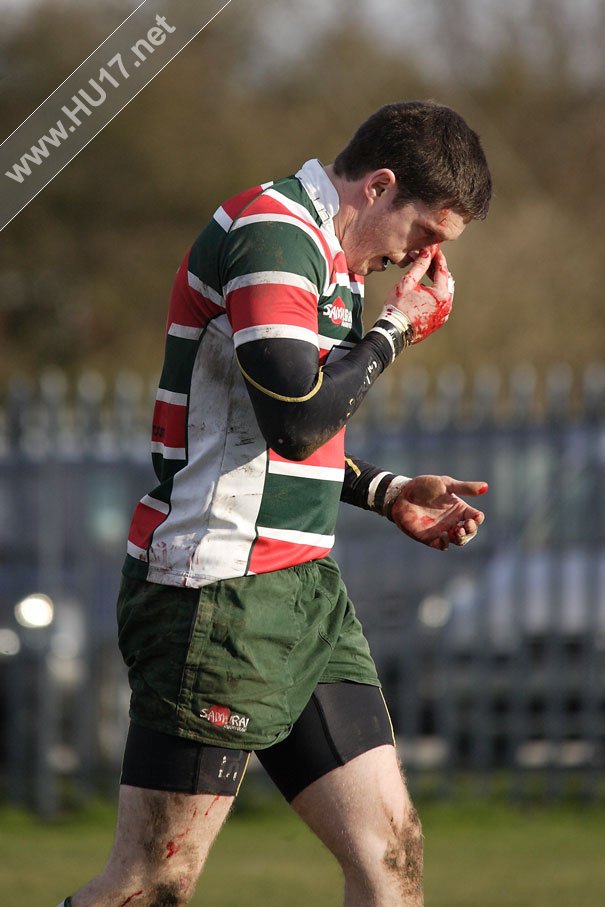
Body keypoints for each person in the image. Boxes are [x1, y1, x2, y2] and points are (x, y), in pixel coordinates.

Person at [58, 100, 492, 907]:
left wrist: (386, 490)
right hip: (216, 592)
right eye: (426, 234)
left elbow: (274, 433)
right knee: (153, 883)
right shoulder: (273, 234)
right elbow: (295, 419)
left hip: (301, 592)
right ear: (379, 187)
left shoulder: (329, 260)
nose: (423, 261)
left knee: (390, 860)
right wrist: (394, 330)